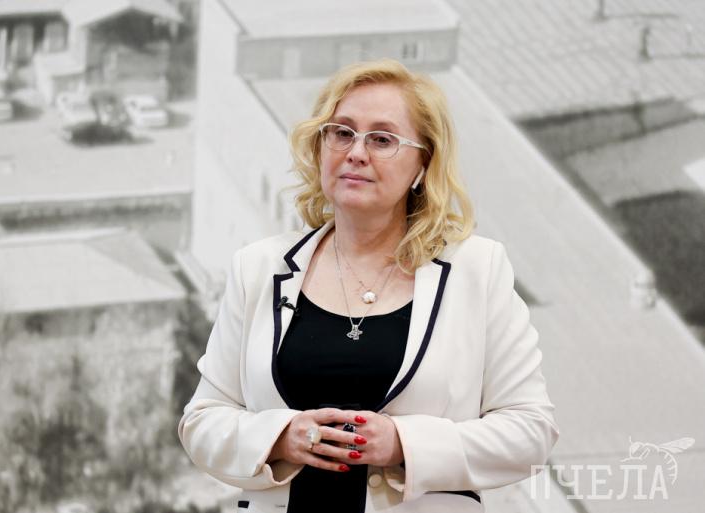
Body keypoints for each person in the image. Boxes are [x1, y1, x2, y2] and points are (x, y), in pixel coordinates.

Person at [178, 59, 559, 513]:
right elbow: (202, 422)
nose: (356, 152)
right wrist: (280, 437)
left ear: (423, 164)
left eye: (382, 139)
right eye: (341, 133)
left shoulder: (478, 270)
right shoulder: (257, 268)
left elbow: (531, 432)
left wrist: (403, 443)